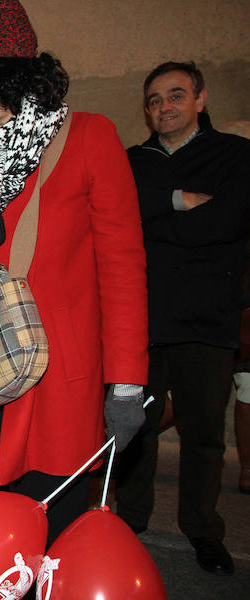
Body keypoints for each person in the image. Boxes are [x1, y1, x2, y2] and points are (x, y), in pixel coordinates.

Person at [0, 0, 148, 544]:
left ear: (13, 68)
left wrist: (127, 382)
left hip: (55, 379)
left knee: (50, 542)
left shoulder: (88, 137)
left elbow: (122, 267)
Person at [114, 61, 250, 576]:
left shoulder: (236, 155)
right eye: (154, 100)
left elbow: (227, 222)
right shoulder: (132, 161)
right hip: (142, 317)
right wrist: (177, 202)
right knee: (135, 428)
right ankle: (129, 520)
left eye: (175, 95)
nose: (164, 106)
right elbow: (115, 216)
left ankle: (203, 529)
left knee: (204, 435)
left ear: (200, 99)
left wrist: (152, 222)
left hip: (208, 318)